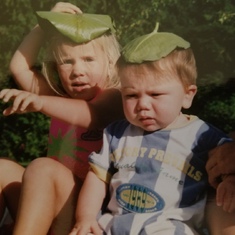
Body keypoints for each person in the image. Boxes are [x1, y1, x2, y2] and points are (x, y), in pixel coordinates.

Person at [69, 24, 235, 235]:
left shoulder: (203, 136)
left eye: (155, 95)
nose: (143, 105)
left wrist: (230, 180)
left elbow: (228, 164)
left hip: (169, 226)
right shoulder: (116, 134)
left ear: (188, 95)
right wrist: (85, 218)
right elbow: (97, 178)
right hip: (114, 225)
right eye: (131, 95)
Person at [0, 2, 123, 235]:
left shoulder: (113, 96)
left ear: (110, 63)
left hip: (86, 210)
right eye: (67, 61)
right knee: (2, 169)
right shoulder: (58, 98)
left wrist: (39, 102)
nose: (77, 70)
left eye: (88, 59)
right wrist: (42, 27)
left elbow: (91, 116)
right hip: (48, 200)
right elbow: (19, 68)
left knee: (43, 167)